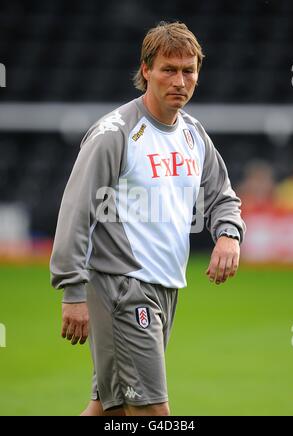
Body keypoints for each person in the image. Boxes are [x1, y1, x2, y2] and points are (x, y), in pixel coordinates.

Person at [50, 21, 246, 417]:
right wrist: (72, 290)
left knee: (110, 408)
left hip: (165, 287)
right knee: (153, 413)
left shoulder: (193, 134)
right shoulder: (115, 133)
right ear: (146, 71)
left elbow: (222, 196)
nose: (179, 80)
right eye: (168, 69)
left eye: (188, 70)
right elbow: (76, 209)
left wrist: (228, 235)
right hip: (123, 288)